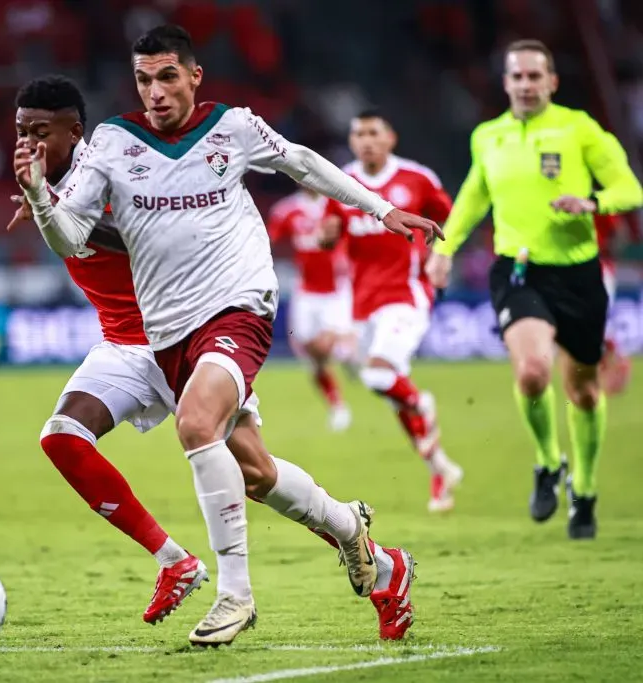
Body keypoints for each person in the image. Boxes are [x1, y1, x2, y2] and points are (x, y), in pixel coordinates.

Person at [14, 25, 439, 646]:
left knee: (194, 427)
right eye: (142, 80)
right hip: (163, 333)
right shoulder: (113, 145)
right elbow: (71, 237)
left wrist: (381, 209)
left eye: (166, 77)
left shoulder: (231, 126)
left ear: (193, 76)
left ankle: (233, 596)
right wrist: (42, 201)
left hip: (239, 307)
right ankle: (363, 542)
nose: (155, 92)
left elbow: (302, 162)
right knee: (256, 475)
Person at [425, 39, 643, 539]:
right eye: (516, 77)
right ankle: (548, 462)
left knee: (584, 392)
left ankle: (583, 489)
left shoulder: (579, 128)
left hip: (579, 273)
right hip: (518, 271)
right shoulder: (489, 136)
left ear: (551, 82)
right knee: (531, 370)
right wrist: (445, 248)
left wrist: (592, 202)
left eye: (533, 76)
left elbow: (630, 189)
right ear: (505, 83)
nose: (525, 85)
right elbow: (476, 193)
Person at [320, 110, 463, 513]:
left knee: (381, 374)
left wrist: (442, 257)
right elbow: (329, 238)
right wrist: (324, 237)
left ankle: (424, 404)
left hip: (406, 295)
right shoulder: (341, 183)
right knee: (390, 392)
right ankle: (440, 470)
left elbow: (453, 219)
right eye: (358, 134)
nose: (365, 140)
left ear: (390, 139)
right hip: (362, 306)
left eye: (373, 133)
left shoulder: (417, 179)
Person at [267, 185, 354, 432]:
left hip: (337, 291)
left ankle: (349, 352)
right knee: (311, 354)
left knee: (325, 345)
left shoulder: (338, 205)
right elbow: (270, 240)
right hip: (306, 292)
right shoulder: (287, 210)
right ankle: (337, 405)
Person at [595, 212, 632, 395]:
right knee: (596, 325)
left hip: (600, 268)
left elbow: (621, 233)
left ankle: (618, 364)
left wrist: (607, 252)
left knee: (599, 322)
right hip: (586, 268)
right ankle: (610, 366)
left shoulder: (600, 206)